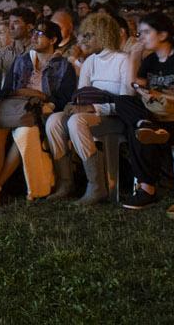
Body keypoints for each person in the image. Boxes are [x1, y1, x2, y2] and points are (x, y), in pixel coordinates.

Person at [111, 12, 174, 210]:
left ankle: (147, 191)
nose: (141, 38)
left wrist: (161, 95)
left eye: (146, 32)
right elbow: (132, 86)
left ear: (162, 35)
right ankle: (145, 125)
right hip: (156, 117)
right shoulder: (152, 60)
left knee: (137, 132)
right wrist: (134, 58)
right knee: (122, 101)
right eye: (139, 33)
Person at [0, 20, 76, 206]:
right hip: (15, 108)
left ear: (53, 39)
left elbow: (63, 98)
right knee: (0, 131)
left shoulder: (63, 66)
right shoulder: (21, 61)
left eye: (40, 34)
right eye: (33, 32)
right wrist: (33, 93)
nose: (34, 36)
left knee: (25, 132)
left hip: (41, 111)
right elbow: (7, 89)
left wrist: (40, 97)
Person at [50, 11, 135, 205]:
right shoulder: (90, 61)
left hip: (115, 117)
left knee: (77, 121)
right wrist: (77, 106)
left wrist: (94, 108)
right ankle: (66, 182)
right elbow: (83, 95)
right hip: (91, 114)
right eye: (84, 35)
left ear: (104, 35)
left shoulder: (123, 60)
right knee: (54, 121)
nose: (84, 40)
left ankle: (96, 186)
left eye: (90, 35)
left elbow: (126, 103)